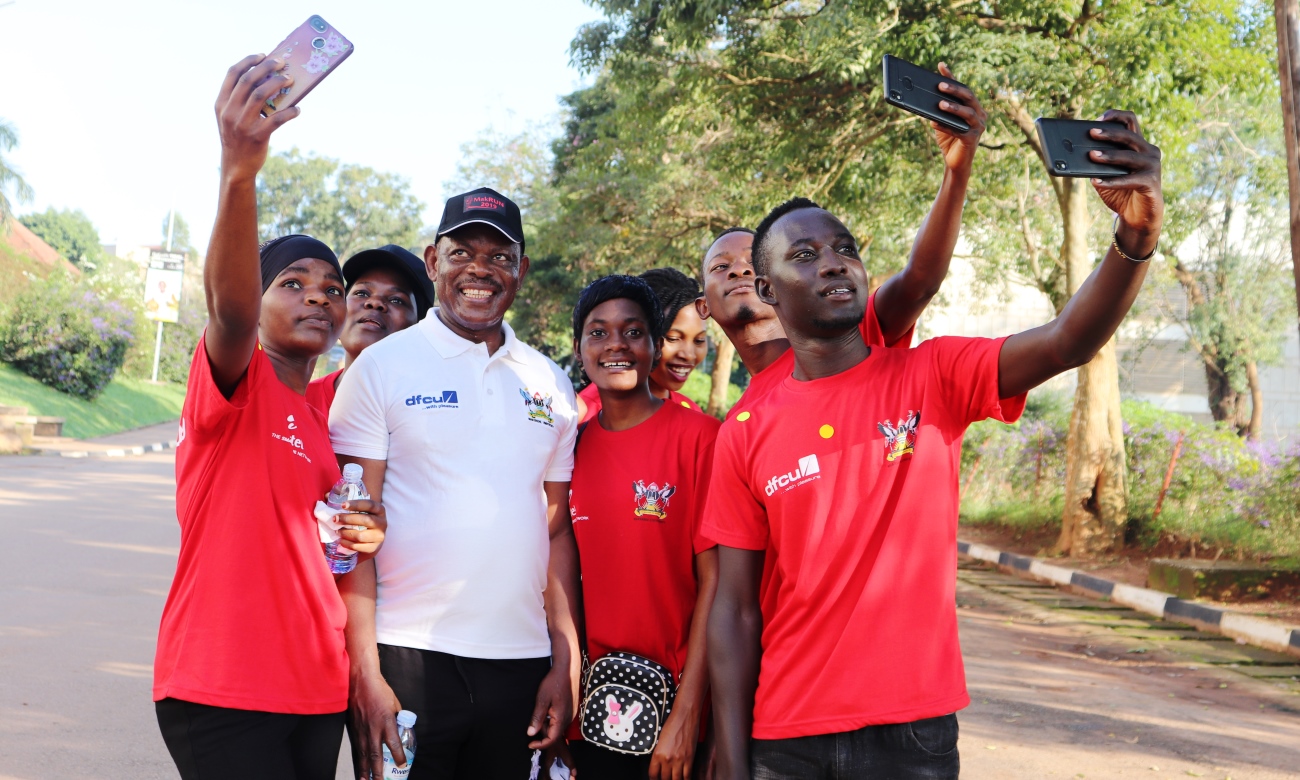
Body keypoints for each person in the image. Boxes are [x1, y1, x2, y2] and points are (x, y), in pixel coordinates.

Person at [705, 111, 1163, 779]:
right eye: (804, 255)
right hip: (787, 735)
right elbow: (735, 610)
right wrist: (732, 756)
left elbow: (1070, 340)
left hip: (913, 735)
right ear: (767, 289)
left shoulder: (935, 375)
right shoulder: (745, 430)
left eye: (844, 248)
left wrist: (1137, 234)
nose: (832, 261)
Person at [153, 55, 386, 780]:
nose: (320, 296)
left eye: (332, 287)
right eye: (293, 283)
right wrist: (239, 170)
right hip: (223, 687)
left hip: (315, 693)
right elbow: (226, 307)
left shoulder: (326, 413)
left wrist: (362, 531)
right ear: (260, 300)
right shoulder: (235, 380)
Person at [328, 187, 582, 780]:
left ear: (520, 270)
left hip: (519, 660)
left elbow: (557, 531)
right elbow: (351, 532)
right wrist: (364, 670)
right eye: (462, 251)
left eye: (499, 257)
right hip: (407, 653)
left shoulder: (551, 385)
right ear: (432, 261)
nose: (480, 270)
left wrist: (563, 659)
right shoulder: (381, 368)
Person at [696, 63, 988, 412]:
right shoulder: (742, 425)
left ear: (770, 282)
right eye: (720, 266)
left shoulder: (848, 329)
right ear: (704, 306)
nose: (738, 270)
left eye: (749, 259)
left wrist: (956, 172)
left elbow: (919, 281)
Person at [565, 275, 721, 779]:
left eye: (633, 331)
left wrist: (688, 713)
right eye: (599, 332)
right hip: (589, 713)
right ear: (579, 348)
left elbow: (716, 585)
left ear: (653, 344)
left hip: (672, 714)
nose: (616, 344)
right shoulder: (568, 449)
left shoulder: (699, 438)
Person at [306, 244, 434, 413]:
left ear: (421, 324)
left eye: (396, 300)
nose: (374, 303)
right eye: (362, 293)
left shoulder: (433, 409)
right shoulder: (300, 400)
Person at [578, 268, 706, 424]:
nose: (688, 354)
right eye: (673, 338)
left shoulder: (692, 413)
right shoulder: (582, 415)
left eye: (699, 340)